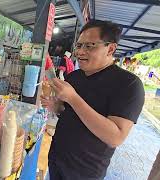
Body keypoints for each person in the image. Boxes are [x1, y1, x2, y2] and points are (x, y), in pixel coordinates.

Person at [41, 20, 145, 179]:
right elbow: (69, 113)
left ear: (110, 48)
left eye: (89, 46)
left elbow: (115, 137)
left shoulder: (128, 84)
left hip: (85, 172)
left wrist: (73, 98)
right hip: (56, 160)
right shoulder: (75, 76)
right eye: (79, 45)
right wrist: (56, 107)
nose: (80, 52)